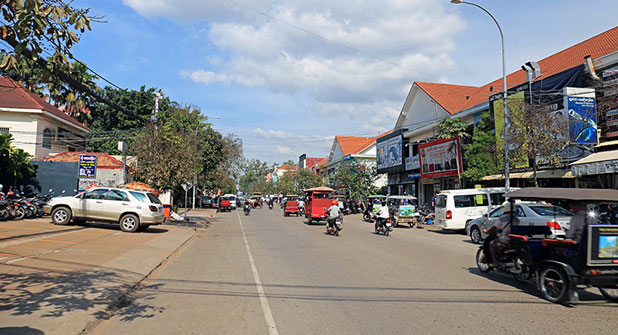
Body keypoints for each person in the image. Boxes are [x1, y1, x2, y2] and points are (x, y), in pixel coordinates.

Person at [483, 201, 519, 268]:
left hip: (505, 240)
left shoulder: (502, 218)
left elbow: (494, 228)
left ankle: (495, 262)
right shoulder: (516, 219)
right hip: (514, 240)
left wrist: (487, 231)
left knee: (491, 244)